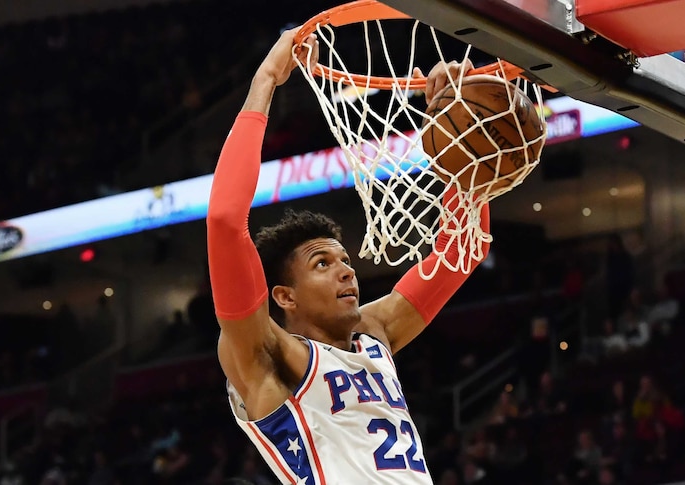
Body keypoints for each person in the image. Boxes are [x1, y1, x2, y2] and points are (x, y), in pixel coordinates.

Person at [206, 29, 490, 484]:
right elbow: (223, 220)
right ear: (285, 296)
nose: (345, 271)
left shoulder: (374, 333)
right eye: (322, 263)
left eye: (345, 262)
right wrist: (265, 80)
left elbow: (463, 248)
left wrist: (453, 127)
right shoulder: (265, 355)